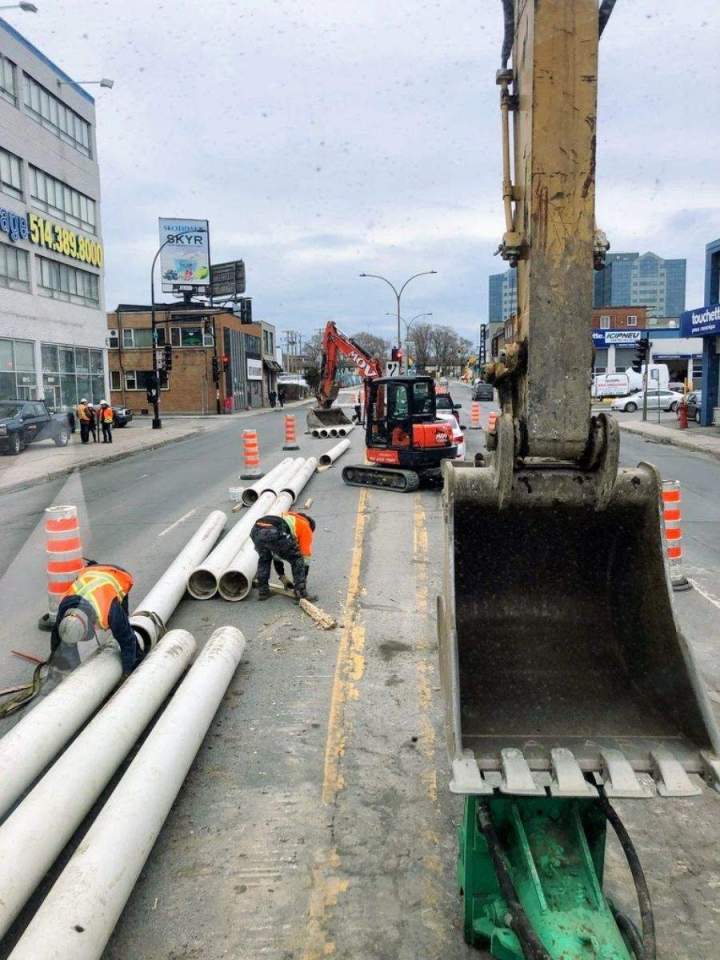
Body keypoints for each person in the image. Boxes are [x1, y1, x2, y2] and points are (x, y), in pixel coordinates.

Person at [50, 561, 141, 675]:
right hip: (90, 573)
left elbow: (127, 640)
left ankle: (138, 658)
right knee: (67, 642)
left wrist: (127, 674)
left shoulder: (110, 610)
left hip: (116, 574)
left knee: (124, 631)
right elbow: (57, 637)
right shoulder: (65, 607)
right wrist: (58, 665)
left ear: (89, 624)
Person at [250, 511, 317, 602]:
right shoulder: (306, 527)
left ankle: (263, 591)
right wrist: (302, 580)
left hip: (256, 529)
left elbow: (277, 554)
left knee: (264, 559)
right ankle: (301, 593)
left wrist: (282, 577)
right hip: (273, 531)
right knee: (297, 559)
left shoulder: (290, 517)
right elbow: (305, 557)